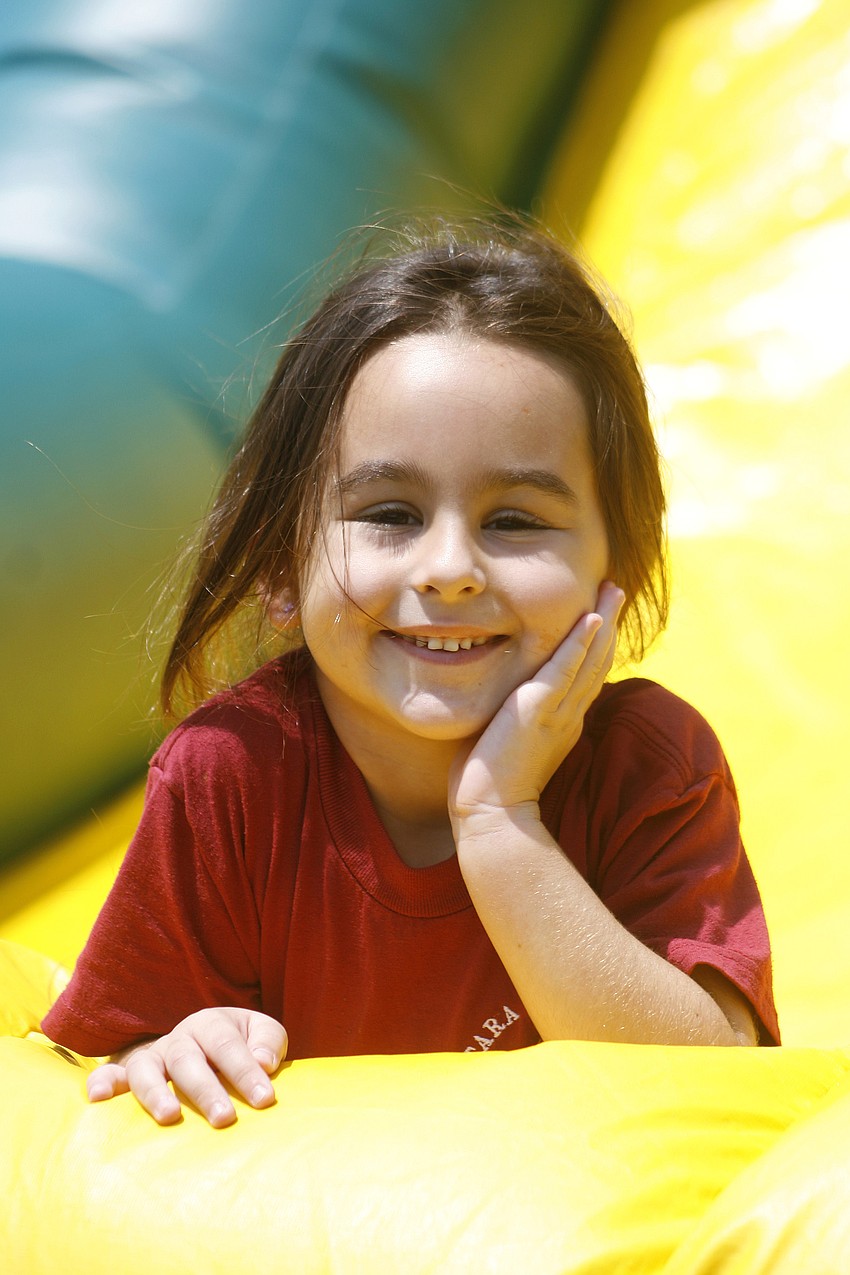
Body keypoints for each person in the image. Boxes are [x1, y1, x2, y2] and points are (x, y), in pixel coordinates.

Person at [42, 217, 779, 1128]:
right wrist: (173, 1045)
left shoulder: (647, 768)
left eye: (516, 521)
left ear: (612, 567)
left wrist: (501, 824)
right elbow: (92, 1095)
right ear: (281, 563)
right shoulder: (232, 777)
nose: (450, 567)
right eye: (389, 511)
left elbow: (715, 1094)